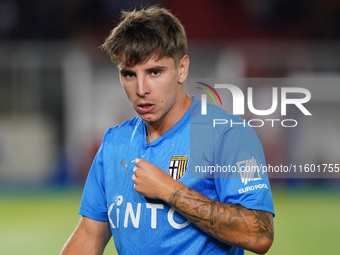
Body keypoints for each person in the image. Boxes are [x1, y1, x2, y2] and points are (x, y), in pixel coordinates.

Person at [60, 6, 274, 255]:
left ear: (182, 69)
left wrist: (168, 190)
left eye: (154, 72)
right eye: (129, 74)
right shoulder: (114, 143)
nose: (141, 89)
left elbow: (259, 234)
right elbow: (88, 238)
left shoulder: (227, 135)